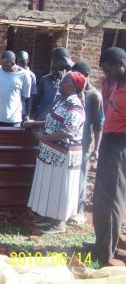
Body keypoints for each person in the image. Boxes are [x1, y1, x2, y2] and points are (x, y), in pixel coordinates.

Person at [24, 71, 86, 234]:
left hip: (64, 156)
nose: (61, 82)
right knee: (51, 186)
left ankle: (59, 223)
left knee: (60, 188)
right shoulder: (62, 101)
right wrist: (34, 124)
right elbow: (51, 119)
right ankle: (49, 217)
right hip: (52, 153)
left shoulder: (75, 106)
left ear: (73, 87)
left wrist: (43, 137)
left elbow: (68, 132)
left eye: (65, 80)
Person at [85, 47, 126, 266]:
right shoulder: (111, 82)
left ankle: (107, 251)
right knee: (101, 197)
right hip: (109, 141)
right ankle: (101, 242)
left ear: (122, 63)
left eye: (109, 70)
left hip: (121, 144)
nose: (106, 74)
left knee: (112, 200)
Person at [68, 61, 104, 226]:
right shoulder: (73, 91)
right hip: (69, 141)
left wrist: (96, 149)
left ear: (86, 76)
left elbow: (98, 125)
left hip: (84, 143)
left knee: (81, 177)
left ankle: (80, 211)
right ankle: (67, 209)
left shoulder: (94, 96)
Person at [0, 51, 31, 127]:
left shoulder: (24, 75)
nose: (2, 67)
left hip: (13, 120)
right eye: (1, 64)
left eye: (4, 65)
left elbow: (24, 97)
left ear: (12, 63)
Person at [17, 51, 37, 122]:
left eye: (23, 62)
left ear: (28, 61)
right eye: (19, 62)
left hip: (23, 109)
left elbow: (31, 97)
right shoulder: (14, 72)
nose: (21, 64)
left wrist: (27, 114)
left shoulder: (31, 75)